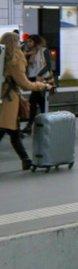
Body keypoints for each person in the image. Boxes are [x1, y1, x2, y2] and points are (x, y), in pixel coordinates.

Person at [0, 31, 51, 169]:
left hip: (3, 97)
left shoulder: (1, 58)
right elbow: (25, 84)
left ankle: (26, 160)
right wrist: (43, 85)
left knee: (12, 130)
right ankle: (26, 160)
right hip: (8, 99)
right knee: (8, 128)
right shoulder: (14, 61)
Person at [23, 34, 53, 131]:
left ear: (35, 41)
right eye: (27, 41)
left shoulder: (43, 51)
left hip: (41, 78)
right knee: (41, 102)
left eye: (30, 41)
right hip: (32, 78)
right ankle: (45, 123)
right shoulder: (27, 52)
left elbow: (48, 65)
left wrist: (40, 74)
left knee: (33, 101)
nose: (28, 43)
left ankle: (30, 125)